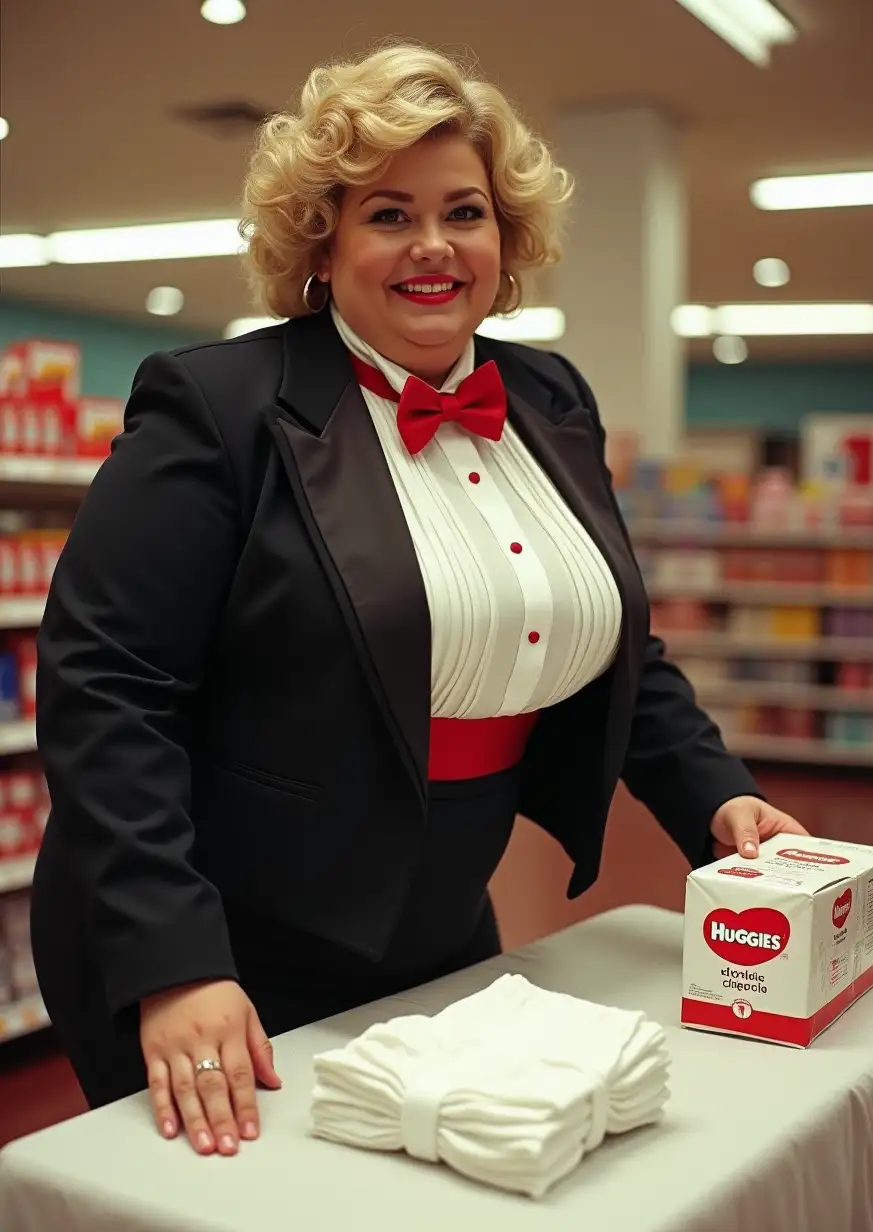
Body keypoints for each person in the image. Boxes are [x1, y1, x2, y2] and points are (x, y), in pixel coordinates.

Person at [31, 42, 808, 1159]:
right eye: (389, 214)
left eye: (466, 211)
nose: (435, 246)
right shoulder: (218, 407)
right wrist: (173, 956)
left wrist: (720, 807)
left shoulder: (549, 396)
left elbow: (615, 644)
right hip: (218, 928)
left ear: (508, 236)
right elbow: (108, 688)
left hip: (438, 910)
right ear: (323, 243)